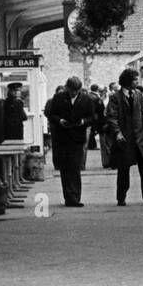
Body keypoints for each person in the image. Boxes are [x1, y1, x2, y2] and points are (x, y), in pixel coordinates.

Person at [104, 69, 143, 206]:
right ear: (128, 81)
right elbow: (112, 117)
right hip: (125, 138)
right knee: (123, 169)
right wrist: (117, 132)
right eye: (135, 79)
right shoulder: (115, 97)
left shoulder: (138, 95)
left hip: (140, 137)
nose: (137, 82)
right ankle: (121, 197)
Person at [45, 77, 98, 207]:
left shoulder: (87, 99)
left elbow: (93, 117)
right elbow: (51, 114)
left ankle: (75, 197)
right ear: (67, 88)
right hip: (62, 137)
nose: (74, 93)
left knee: (74, 167)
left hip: (77, 137)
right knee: (65, 168)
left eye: (76, 91)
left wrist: (83, 122)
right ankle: (68, 197)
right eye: (71, 90)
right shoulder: (58, 98)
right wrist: (59, 121)